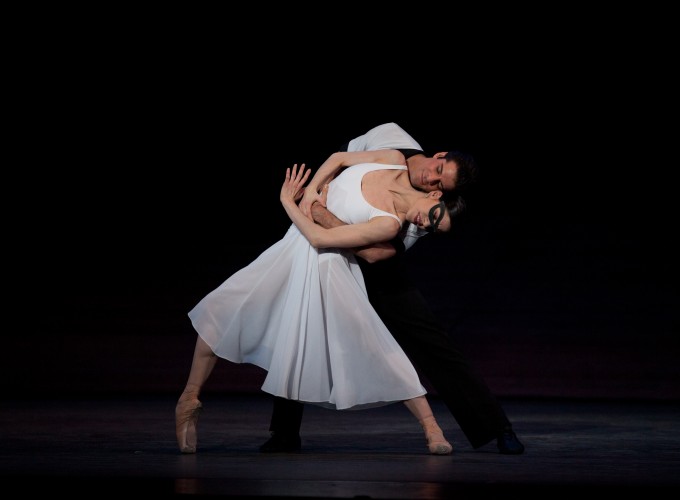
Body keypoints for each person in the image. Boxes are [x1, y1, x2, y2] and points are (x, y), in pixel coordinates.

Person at [175, 148, 464, 456]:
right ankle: (189, 401)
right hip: (293, 247)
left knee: (374, 345)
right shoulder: (393, 160)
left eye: (432, 228)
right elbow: (339, 158)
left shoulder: (389, 225)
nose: (425, 223)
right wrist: (311, 192)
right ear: (434, 197)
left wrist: (290, 202)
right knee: (223, 309)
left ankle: (432, 427)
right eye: (434, 217)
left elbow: (319, 239)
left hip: (328, 267)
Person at [260, 122, 525, 455]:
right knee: (300, 326)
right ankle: (284, 432)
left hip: (372, 259)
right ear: (438, 155)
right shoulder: (391, 138)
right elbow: (342, 158)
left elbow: (373, 253)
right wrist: (318, 190)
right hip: (330, 246)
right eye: (437, 169)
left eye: (439, 184)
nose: (432, 179)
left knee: (432, 341)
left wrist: (319, 213)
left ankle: (497, 427)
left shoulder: (425, 209)